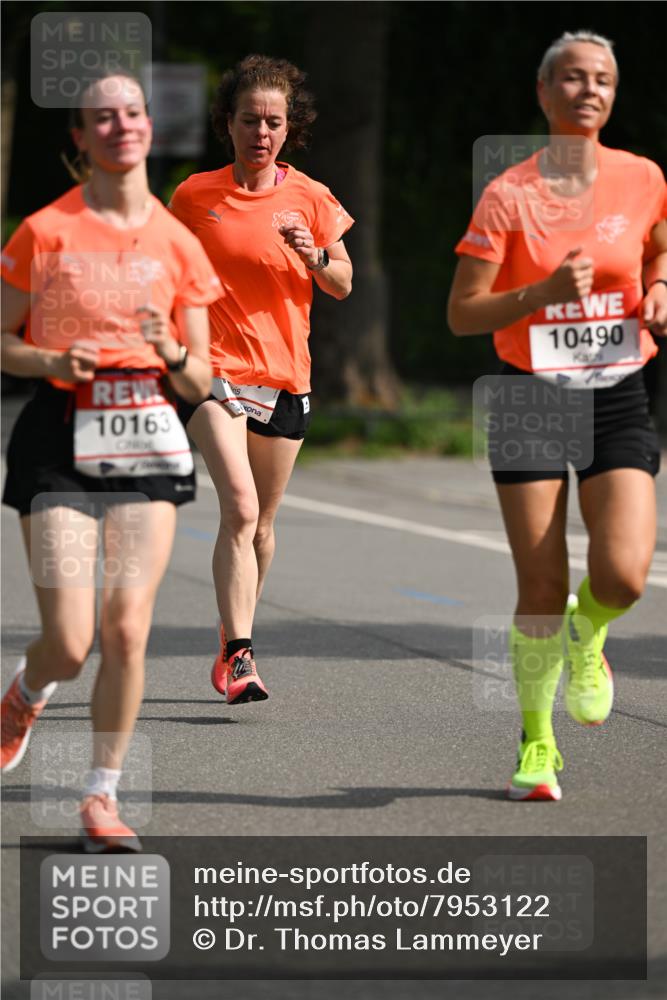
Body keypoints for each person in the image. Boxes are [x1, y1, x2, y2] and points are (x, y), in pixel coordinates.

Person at [0, 72, 221, 850]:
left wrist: (170, 351)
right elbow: (3, 341)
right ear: (81, 138)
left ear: (148, 128)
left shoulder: (177, 243)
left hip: (147, 438)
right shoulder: (44, 231)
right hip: (59, 438)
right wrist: (53, 360)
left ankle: (101, 795)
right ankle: (26, 694)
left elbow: (198, 378)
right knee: (70, 639)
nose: (121, 125)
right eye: (103, 116)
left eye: (132, 112)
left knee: (127, 629)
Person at [447, 32, 667, 801]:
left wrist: (661, 285)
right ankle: (537, 743)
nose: (588, 90)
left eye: (601, 79)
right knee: (539, 583)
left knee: (624, 574)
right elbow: (461, 313)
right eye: (571, 78)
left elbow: (655, 250)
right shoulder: (508, 193)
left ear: (613, 94)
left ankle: (589, 632)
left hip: (617, 392)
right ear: (543, 94)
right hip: (529, 394)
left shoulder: (642, 178)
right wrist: (539, 295)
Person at [169, 55, 353, 705]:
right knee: (239, 509)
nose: (261, 132)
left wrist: (313, 255)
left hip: (284, 375)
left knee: (261, 527)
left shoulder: (310, 196)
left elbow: (342, 282)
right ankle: (242, 656)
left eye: (273, 122)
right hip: (212, 372)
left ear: (288, 128)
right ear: (229, 124)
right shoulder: (194, 196)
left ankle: (231, 627)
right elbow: (167, 274)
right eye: (249, 120)